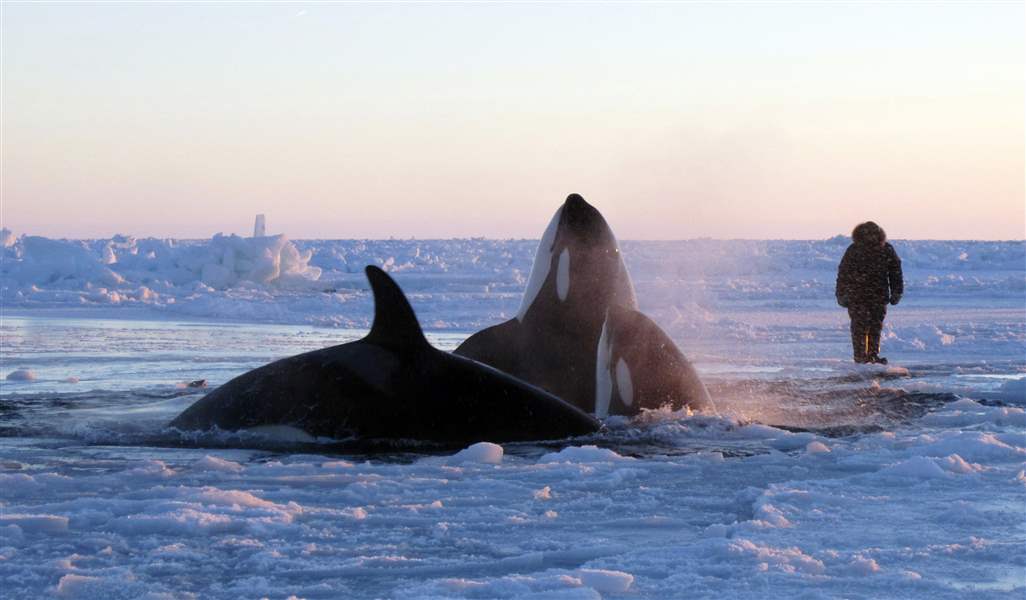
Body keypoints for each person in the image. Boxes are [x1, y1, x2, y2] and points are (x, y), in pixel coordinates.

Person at [835, 221, 904, 364]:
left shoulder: (886, 249)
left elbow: (895, 273)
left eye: (873, 234)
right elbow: (843, 274)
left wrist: (897, 292)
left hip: (878, 296)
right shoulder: (854, 250)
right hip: (857, 297)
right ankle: (860, 356)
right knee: (859, 326)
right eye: (867, 234)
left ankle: (873, 355)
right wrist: (841, 294)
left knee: (875, 326)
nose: (871, 237)